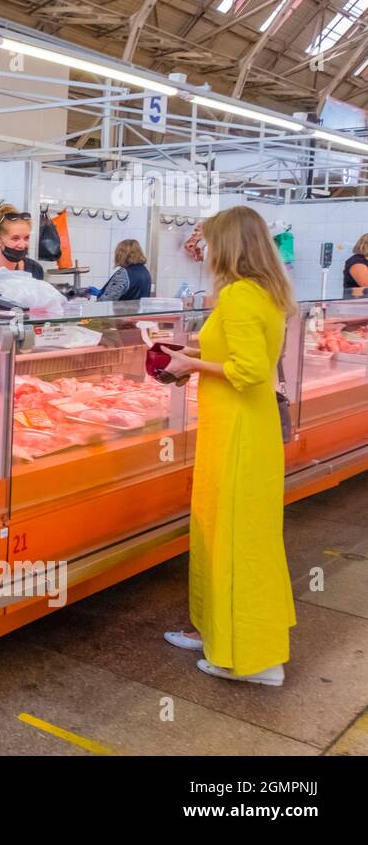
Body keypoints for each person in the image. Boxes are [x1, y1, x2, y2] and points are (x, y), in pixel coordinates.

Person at [161, 205, 296, 686]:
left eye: (211, 240)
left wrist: (191, 366)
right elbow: (243, 353)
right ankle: (219, 631)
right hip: (241, 430)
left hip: (239, 432)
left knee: (236, 540)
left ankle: (253, 660)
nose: (205, 249)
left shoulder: (239, 295)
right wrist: (193, 352)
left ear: (231, 246)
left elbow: (249, 371)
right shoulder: (263, 291)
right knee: (224, 533)